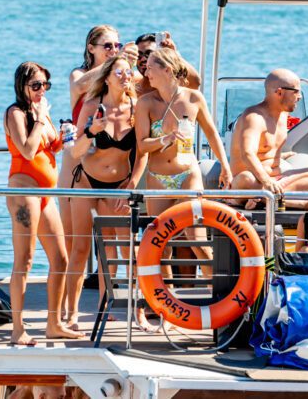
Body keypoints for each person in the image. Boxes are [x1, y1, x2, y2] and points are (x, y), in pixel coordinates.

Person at [57, 25, 138, 306]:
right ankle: (67, 309)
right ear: (91, 48)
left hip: (109, 166)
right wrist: (115, 64)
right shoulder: (80, 75)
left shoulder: (118, 79)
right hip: (76, 162)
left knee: (111, 246)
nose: (113, 51)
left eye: (117, 46)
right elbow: (81, 86)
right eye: (107, 46)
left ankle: (107, 306)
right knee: (73, 245)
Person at [65, 55, 147, 330]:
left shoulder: (137, 107)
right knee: (80, 248)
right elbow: (76, 152)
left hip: (120, 186)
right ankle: (72, 314)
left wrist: (133, 183)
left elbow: (142, 152)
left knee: (126, 251)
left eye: (128, 72)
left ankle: (137, 313)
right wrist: (91, 131)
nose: (126, 77)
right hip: (87, 182)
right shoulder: (92, 106)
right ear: (108, 77)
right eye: (120, 72)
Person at [4, 62, 82, 345]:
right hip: (24, 191)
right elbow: (26, 149)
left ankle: (54, 322)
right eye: (36, 85)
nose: (41, 91)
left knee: (60, 258)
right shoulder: (16, 113)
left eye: (45, 85)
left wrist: (64, 136)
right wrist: (39, 119)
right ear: (22, 86)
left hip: (47, 194)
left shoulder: (42, 112)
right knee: (24, 260)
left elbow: (51, 146)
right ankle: (17, 328)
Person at [136, 48, 232, 269]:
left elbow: (212, 134)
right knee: (160, 245)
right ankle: (163, 301)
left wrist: (225, 167)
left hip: (188, 174)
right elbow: (142, 145)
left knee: (197, 241)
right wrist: (165, 139)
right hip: (158, 178)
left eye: (150, 67)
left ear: (167, 70)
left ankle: (218, 296)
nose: (146, 71)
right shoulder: (146, 103)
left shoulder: (193, 98)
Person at [230, 69, 308, 209]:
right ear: (280, 92)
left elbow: (268, 149)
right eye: (296, 91)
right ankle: (289, 201)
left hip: (277, 180)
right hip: (253, 181)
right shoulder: (254, 117)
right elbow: (247, 154)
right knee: (248, 179)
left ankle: (263, 199)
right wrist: (267, 181)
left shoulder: (283, 114)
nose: (300, 96)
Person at [135, 32, 200, 96]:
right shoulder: (133, 84)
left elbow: (196, 82)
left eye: (149, 54)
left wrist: (174, 54)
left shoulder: (170, 88)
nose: (143, 59)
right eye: (138, 55)